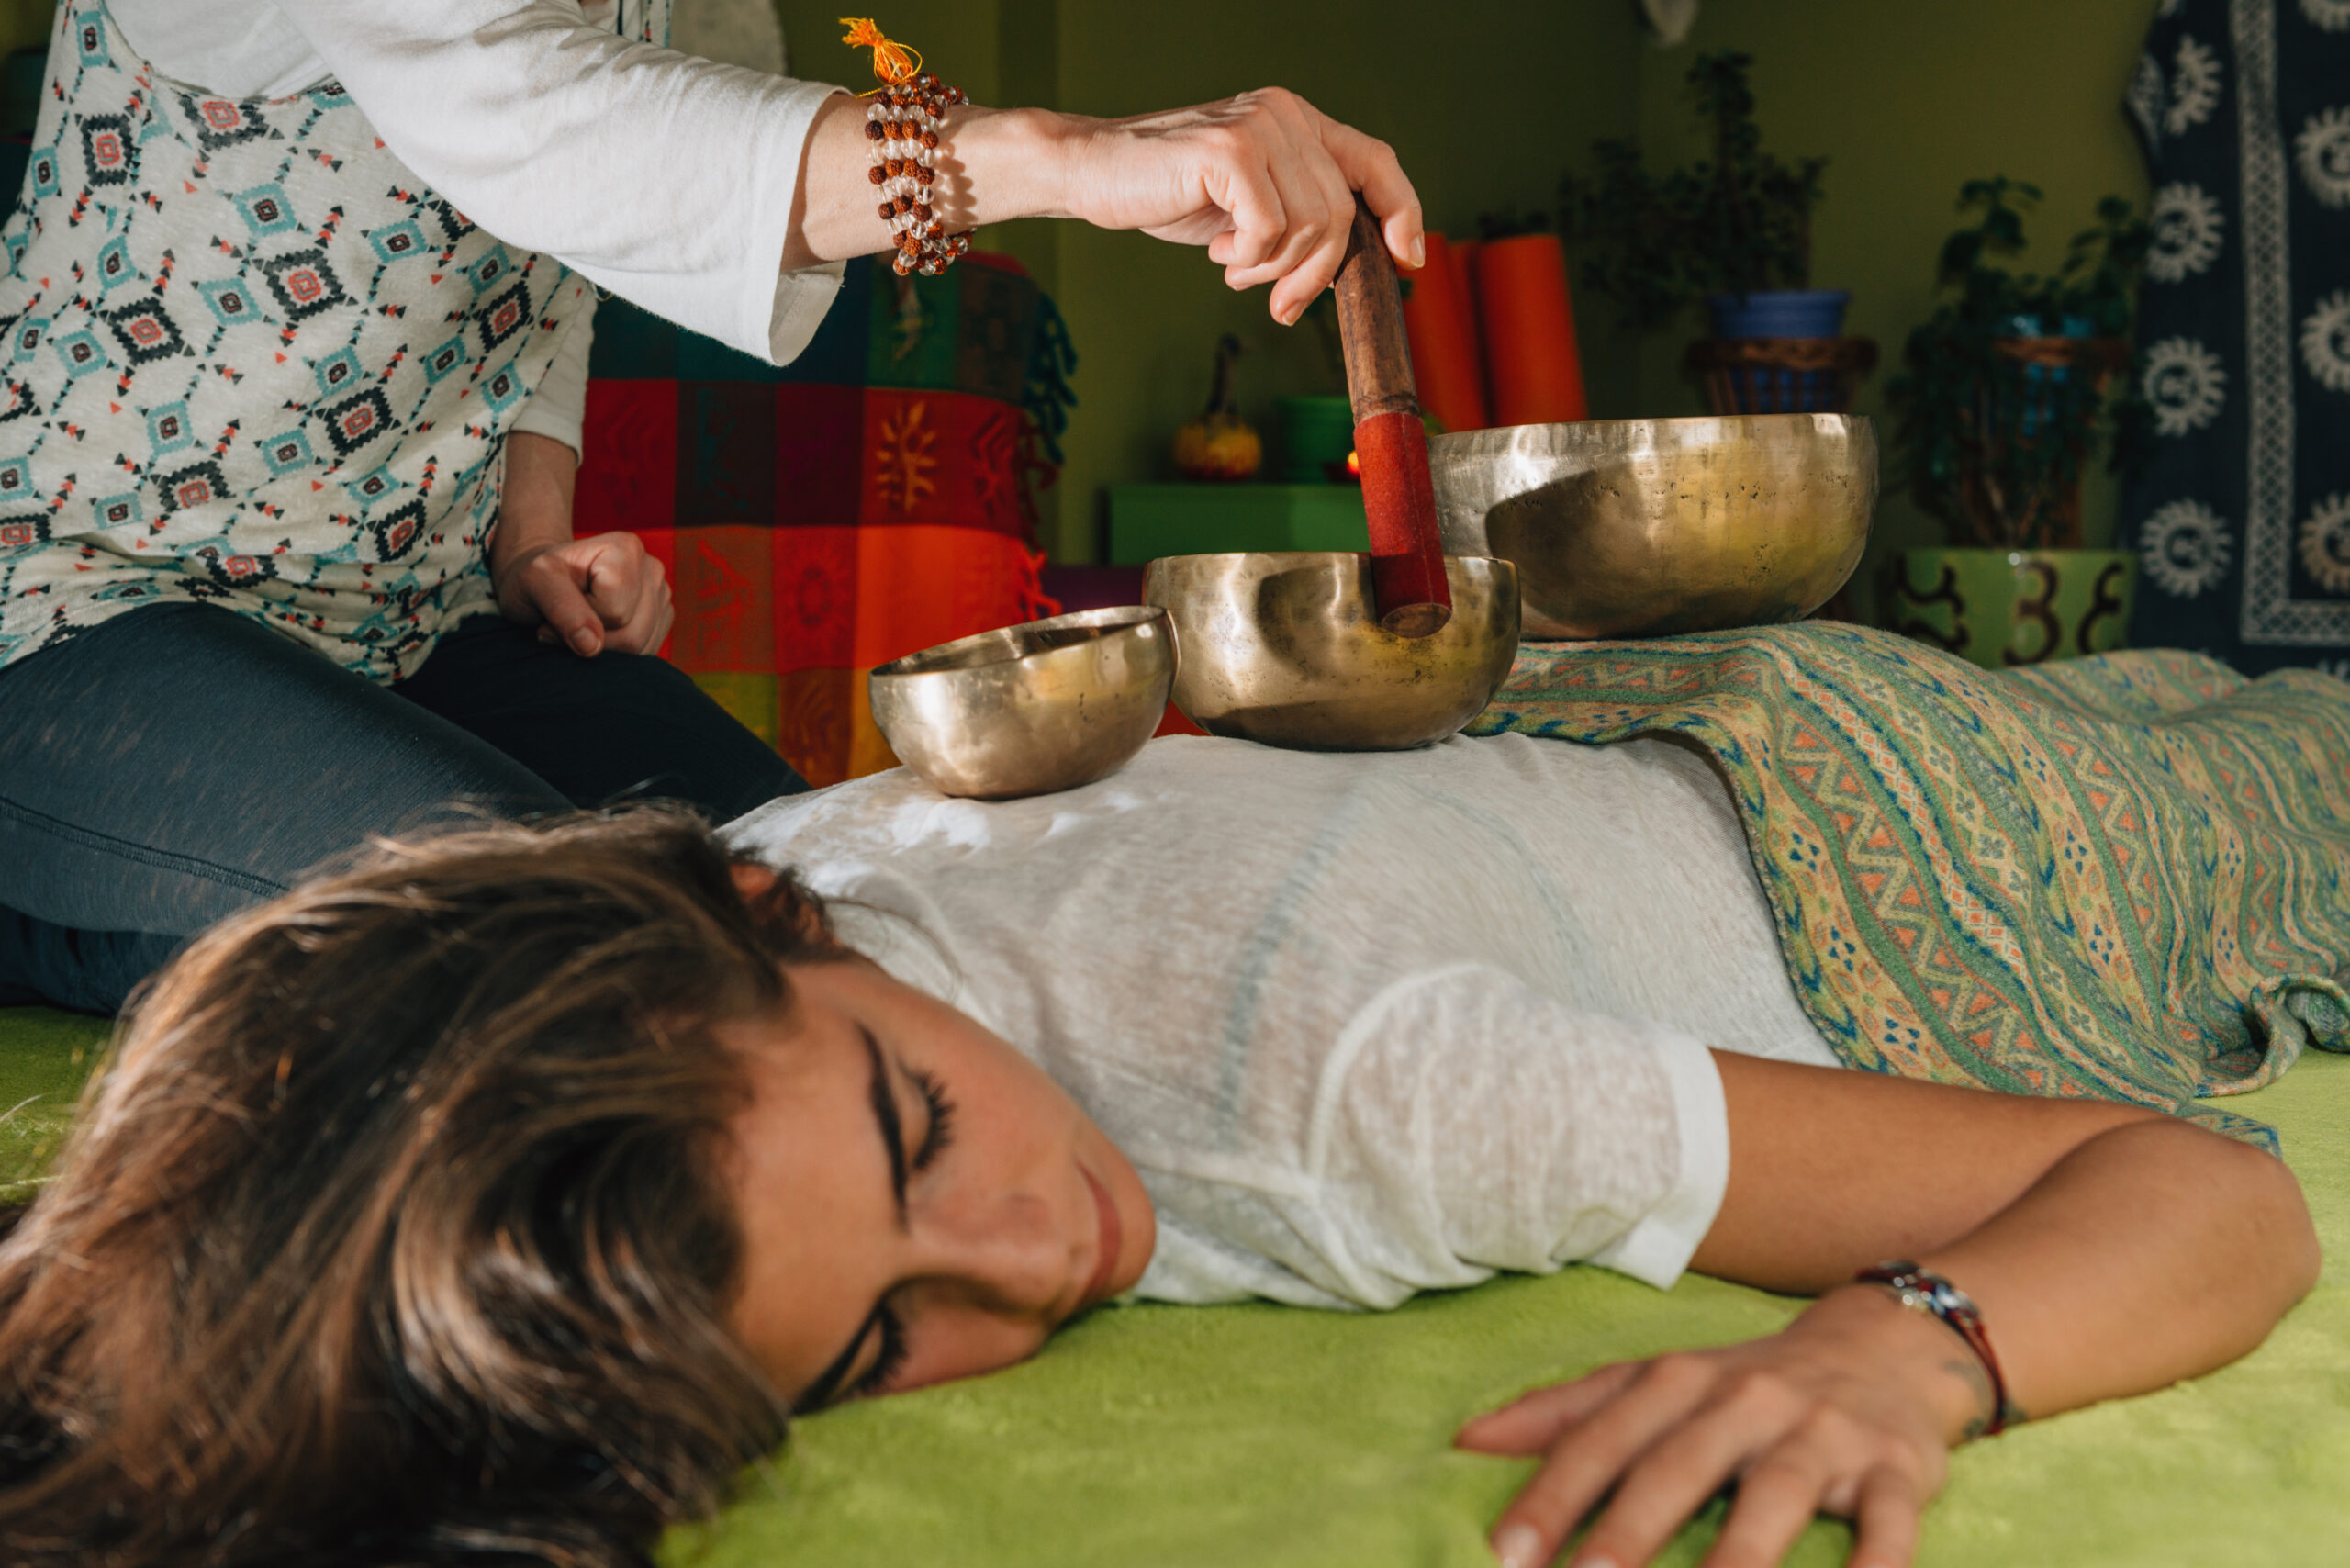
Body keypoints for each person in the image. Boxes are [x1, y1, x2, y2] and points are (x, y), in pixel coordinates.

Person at [0, 731, 2317, 1568]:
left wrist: (1900, 1350)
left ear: (751, 904)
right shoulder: (717, 902)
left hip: (1930, 816)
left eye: (916, 1121)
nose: (1043, 1250)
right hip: (1590, 746)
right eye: (882, 1337)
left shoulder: (1344, 1102)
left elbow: (2212, 1186)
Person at [0, 0, 1425, 1013]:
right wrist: (1067, 156)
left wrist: (530, 534)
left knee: (829, 910)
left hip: (412, 633)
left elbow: (559, 233)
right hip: (69, 619)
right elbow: (547, 123)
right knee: (572, 953)